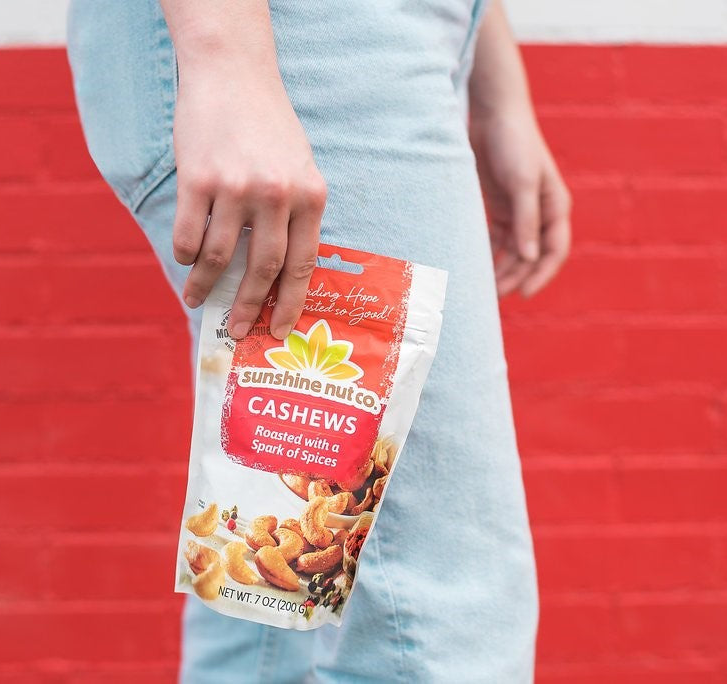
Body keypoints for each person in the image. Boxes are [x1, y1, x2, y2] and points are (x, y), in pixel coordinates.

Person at [67, 0, 571, 681]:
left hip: (377, 49)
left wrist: (491, 76)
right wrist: (226, 56)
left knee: (269, 589)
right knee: (435, 609)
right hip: (303, 47)